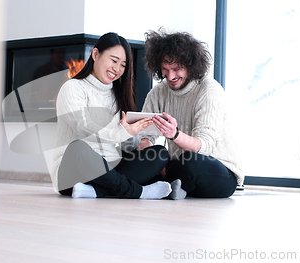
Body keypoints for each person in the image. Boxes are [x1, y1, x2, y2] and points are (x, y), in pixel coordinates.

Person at [51, 32, 172, 199]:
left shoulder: (118, 95)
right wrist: (122, 131)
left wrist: (138, 132)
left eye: (123, 65)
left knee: (159, 153)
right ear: (95, 54)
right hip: (73, 173)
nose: (117, 69)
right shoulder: (72, 88)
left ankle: (95, 192)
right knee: (77, 147)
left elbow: (124, 147)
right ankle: (138, 191)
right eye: (114, 61)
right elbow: (84, 129)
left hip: (109, 170)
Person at [139, 29, 244, 199]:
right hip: (178, 167)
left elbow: (205, 147)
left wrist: (175, 135)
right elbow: (143, 137)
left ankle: (165, 186)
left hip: (217, 170)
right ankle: (173, 187)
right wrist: (155, 163)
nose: (170, 76)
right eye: (165, 69)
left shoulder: (209, 89)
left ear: (191, 65)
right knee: (143, 156)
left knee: (190, 162)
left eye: (177, 69)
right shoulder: (158, 92)